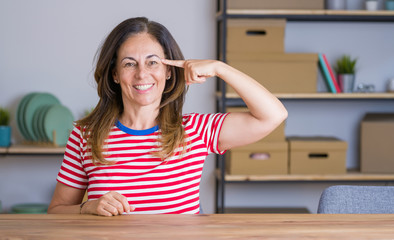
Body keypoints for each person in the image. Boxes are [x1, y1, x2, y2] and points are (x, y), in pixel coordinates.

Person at [47, 17, 287, 216]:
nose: (142, 74)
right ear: (115, 74)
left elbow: (273, 115)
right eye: (130, 64)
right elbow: (56, 211)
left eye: (153, 62)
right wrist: (87, 207)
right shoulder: (85, 135)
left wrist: (219, 68)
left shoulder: (196, 130)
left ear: (168, 72)